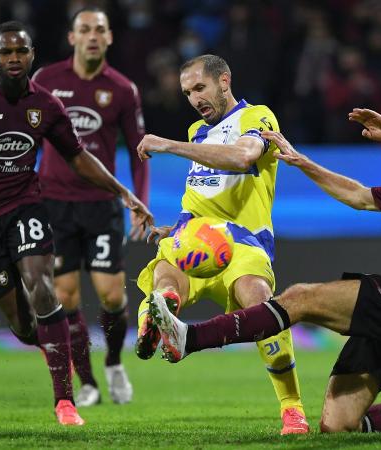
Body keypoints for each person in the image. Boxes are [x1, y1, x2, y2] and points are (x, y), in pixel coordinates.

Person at [0, 21, 153, 426]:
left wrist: (122, 192)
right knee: (23, 327)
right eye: (5, 52)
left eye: (20, 52)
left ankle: (65, 402)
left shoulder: (45, 104)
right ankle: (51, 347)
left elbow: (78, 156)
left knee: (43, 288)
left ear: (31, 56)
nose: (13, 59)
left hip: (26, 205)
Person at [148, 129, 381, 434]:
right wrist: (302, 162)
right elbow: (358, 195)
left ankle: (190, 338)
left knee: (300, 298)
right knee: (338, 425)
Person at [133, 55, 308, 435]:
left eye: (200, 88)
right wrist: (175, 228)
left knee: (261, 303)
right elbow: (199, 191)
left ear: (224, 81)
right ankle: (160, 314)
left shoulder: (257, 117)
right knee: (165, 275)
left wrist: (168, 145)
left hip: (242, 240)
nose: (194, 99)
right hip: (194, 236)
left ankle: (292, 409)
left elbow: (243, 156)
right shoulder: (198, 130)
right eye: (187, 93)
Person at [31, 7, 148, 407]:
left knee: (112, 296)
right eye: (85, 29)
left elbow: (138, 151)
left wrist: (139, 200)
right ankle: (89, 383)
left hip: (101, 204)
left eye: (99, 29)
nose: (92, 36)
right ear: (72, 37)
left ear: (110, 38)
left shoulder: (122, 88)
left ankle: (114, 362)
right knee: (63, 295)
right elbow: (27, 134)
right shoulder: (45, 81)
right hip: (54, 205)